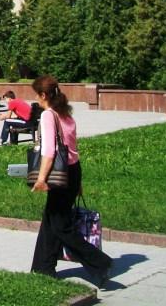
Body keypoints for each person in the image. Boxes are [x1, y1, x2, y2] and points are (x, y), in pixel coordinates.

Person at [30, 75, 112, 285]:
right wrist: (79, 183)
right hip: (73, 172)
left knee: (61, 226)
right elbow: (73, 149)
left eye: (37, 95)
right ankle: (42, 268)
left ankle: (100, 262)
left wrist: (41, 179)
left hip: (59, 176)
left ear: (44, 95)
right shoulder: (65, 114)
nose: (36, 99)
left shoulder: (48, 115)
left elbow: (49, 151)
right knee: (50, 221)